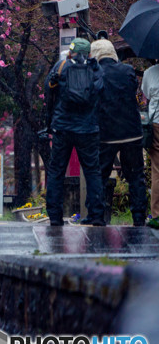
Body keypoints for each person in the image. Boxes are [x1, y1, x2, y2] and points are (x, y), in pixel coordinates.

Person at [45, 37, 105, 226]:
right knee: (93, 172)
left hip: (63, 127)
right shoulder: (96, 70)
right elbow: (101, 93)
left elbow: (49, 92)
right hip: (88, 129)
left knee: (56, 171)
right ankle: (97, 215)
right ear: (88, 53)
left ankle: (55, 216)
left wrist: (50, 123)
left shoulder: (61, 67)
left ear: (71, 52)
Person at [90, 39, 147, 226]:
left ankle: (97, 216)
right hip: (131, 131)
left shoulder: (94, 73)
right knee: (136, 175)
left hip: (106, 134)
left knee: (99, 176)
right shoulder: (128, 70)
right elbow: (132, 92)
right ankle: (139, 217)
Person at [140, 60, 159, 219]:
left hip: (156, 123)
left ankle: (157, 214)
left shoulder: (149, 73)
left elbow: (146, 92)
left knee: (157, 171)